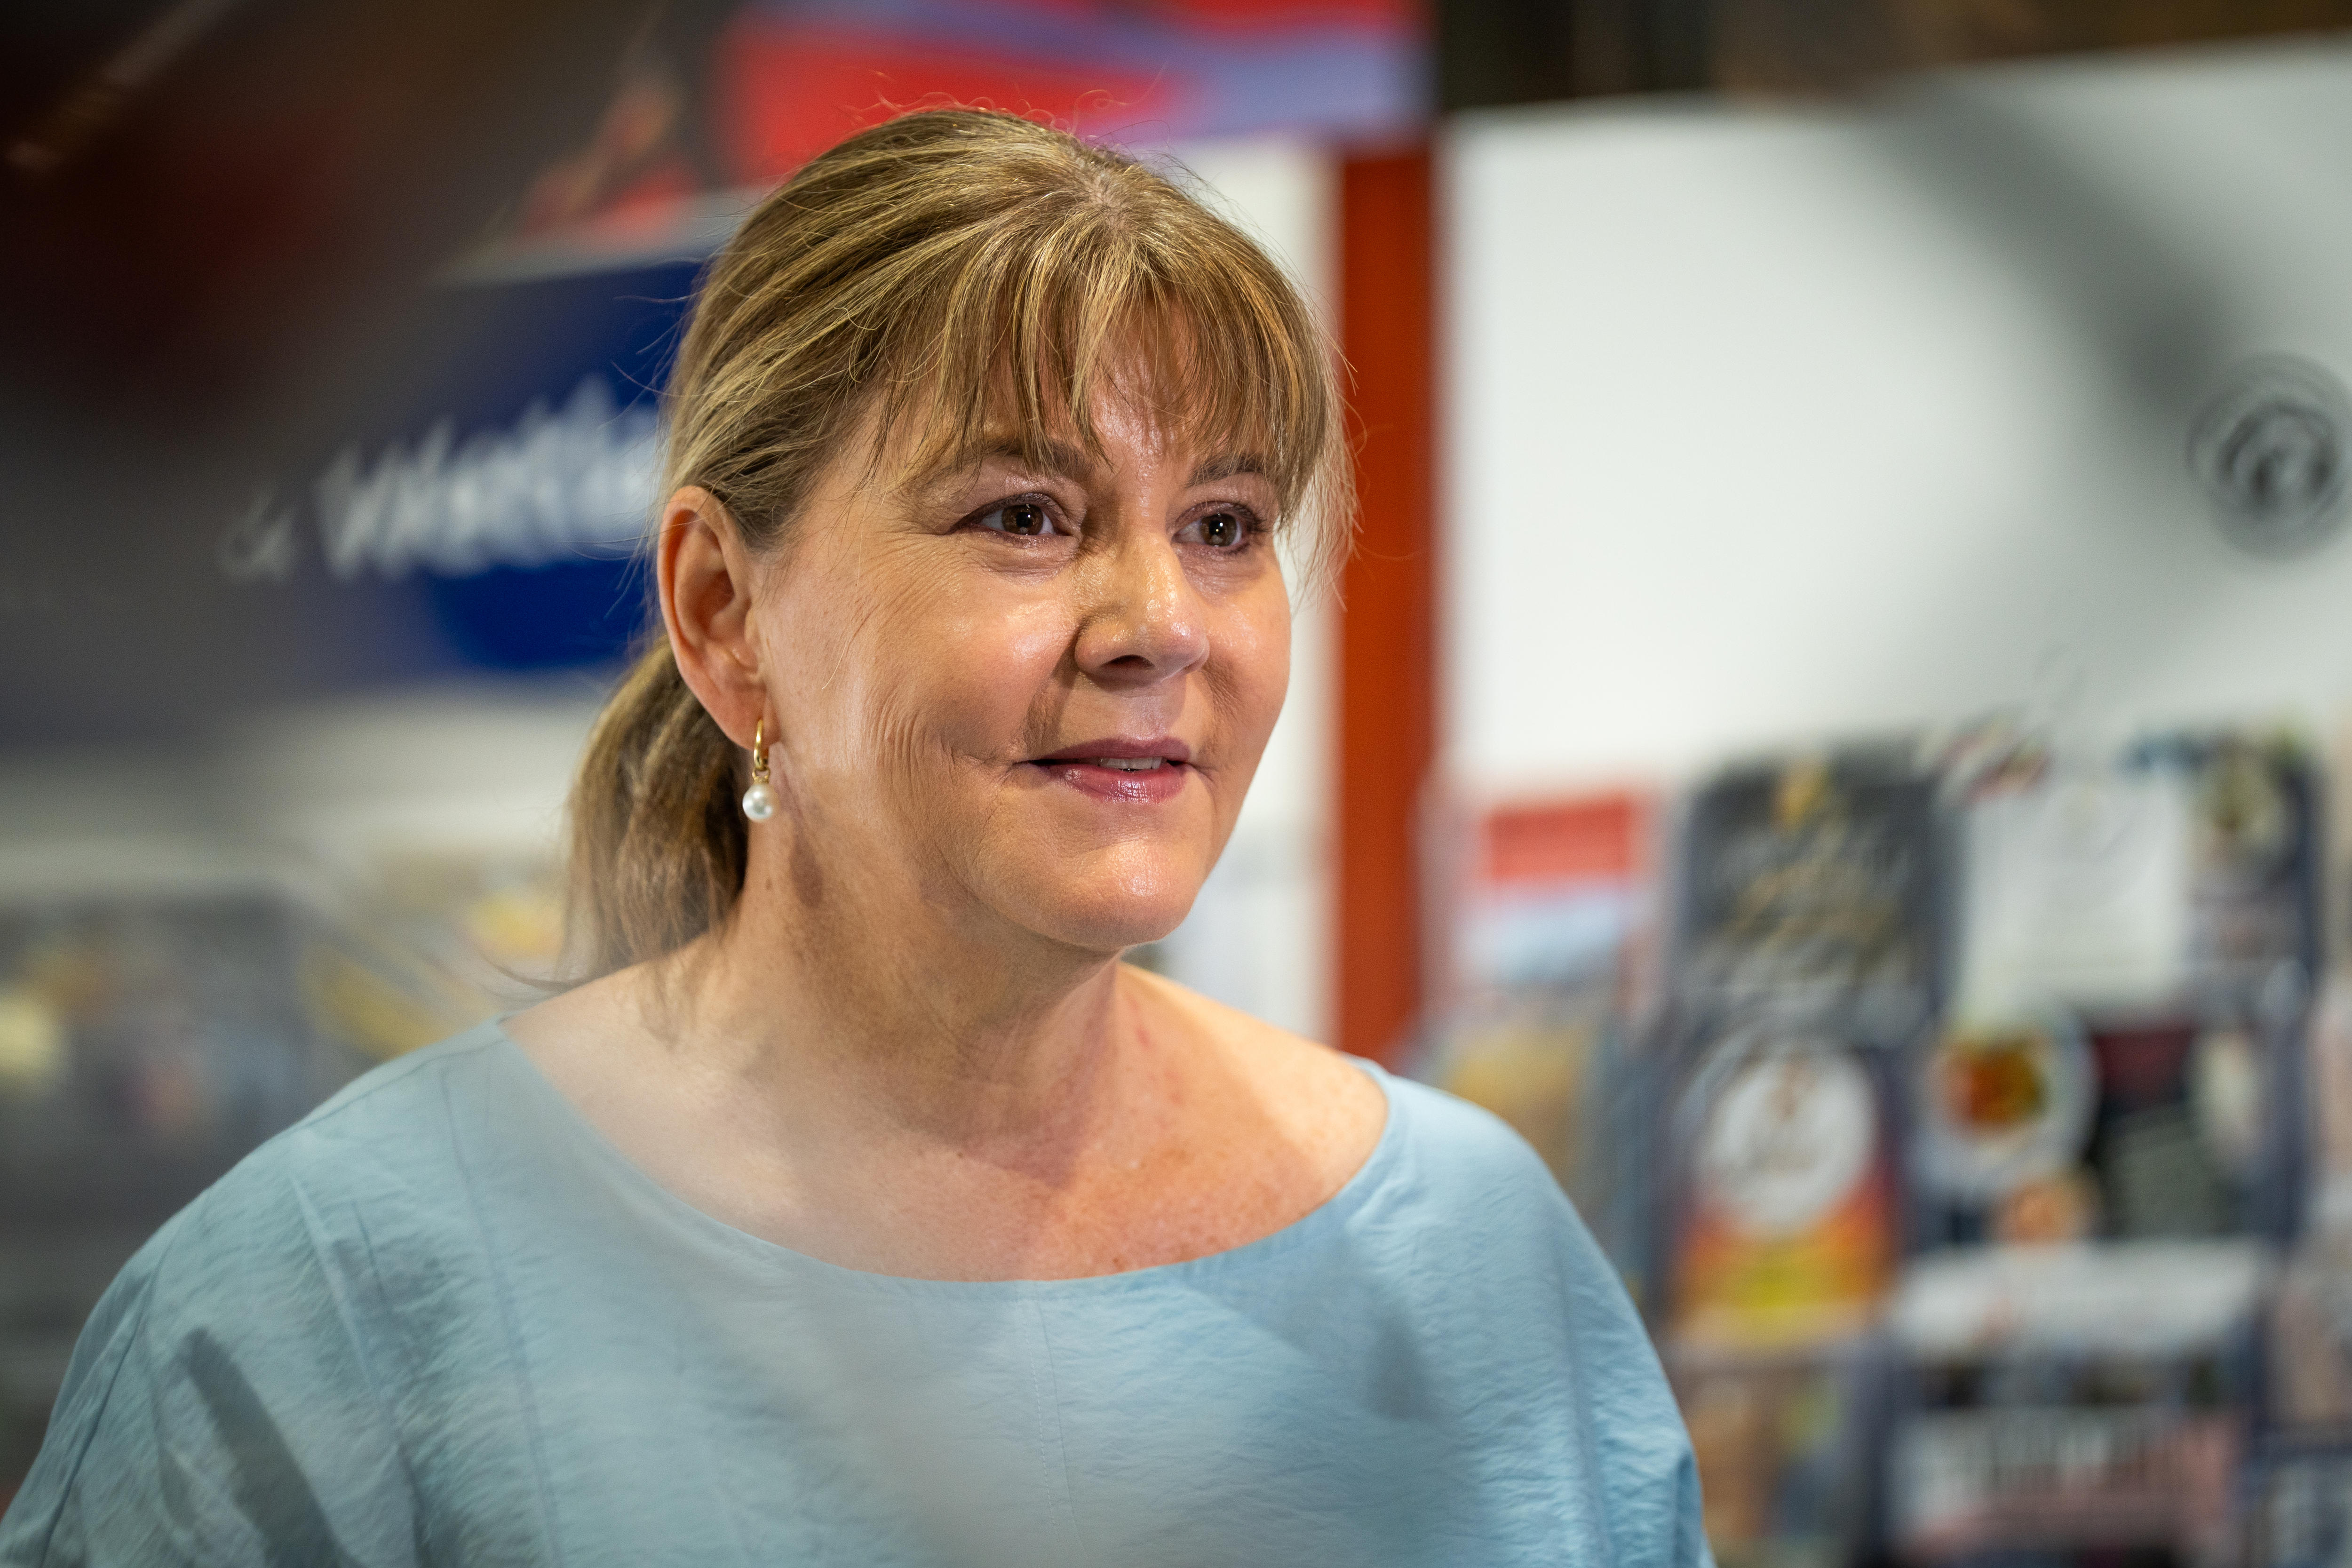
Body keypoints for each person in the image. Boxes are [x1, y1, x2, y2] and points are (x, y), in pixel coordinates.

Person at [0, 109, 1708, 1566]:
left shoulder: (1475, 1262)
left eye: (1226, 523)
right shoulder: (335, 1299)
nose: (1159, 622)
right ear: (726, 613)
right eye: (1025, 517)